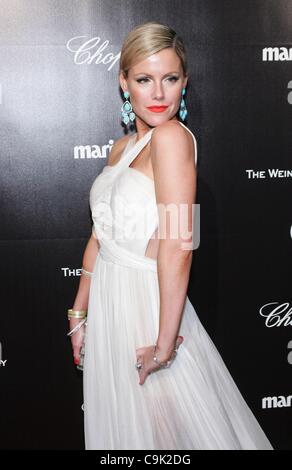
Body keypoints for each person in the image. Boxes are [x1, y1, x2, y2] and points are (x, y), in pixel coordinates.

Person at [68, 21, 273, 450]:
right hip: (111, 305)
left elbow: (181, 243)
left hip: (148, 306)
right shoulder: (121, 149)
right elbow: (99, 236)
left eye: (171, 79)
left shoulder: (173, 139)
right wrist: (79, 314)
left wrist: (164, 346)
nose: (159, 94)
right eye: (144, 79)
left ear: (185, 82)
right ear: (124, 83)